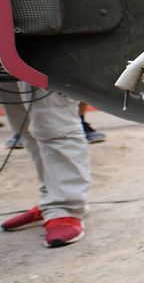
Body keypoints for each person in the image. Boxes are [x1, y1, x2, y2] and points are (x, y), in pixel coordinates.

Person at [1, 82, 90, 247]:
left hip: (36, 57)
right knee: (23, 125)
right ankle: (50, 199)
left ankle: (65, 206)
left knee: (54, 125)